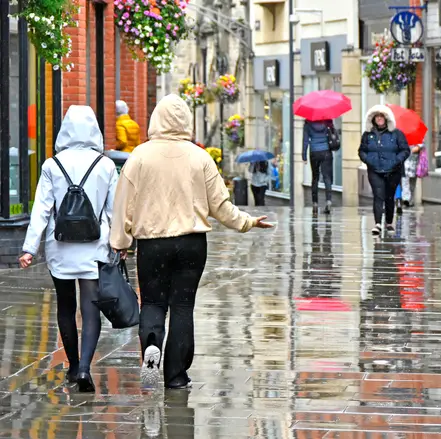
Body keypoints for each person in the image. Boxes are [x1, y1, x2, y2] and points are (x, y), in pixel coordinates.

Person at [110, 94, 273, 389]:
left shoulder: (140, 156)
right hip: (192, 244)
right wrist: (247, 221)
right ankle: (176, 376)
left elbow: (123, 204)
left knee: (154, 302)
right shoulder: (200, 157)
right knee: (183, 306)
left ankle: (151, 345)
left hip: (152, 243)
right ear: (187, 120)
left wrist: (120, 241)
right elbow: (221, 206)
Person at [18, 106, 119, 393]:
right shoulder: (106, 165)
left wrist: (29, 248)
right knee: (91, 308)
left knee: (65, 306)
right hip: (95, 246)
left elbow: (41, 210)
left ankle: (73, 366)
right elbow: (114, 211)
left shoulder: (52, 165)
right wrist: (121, 242)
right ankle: (86, 368)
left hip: (60, 246)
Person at [359, 104, 410, 235]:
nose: (380, 118)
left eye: (382, 116)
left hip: (393, 171)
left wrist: (396, 161)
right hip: (375, 170)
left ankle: (388, 222)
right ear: (373, 118)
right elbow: (362, 151)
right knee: (378, 195)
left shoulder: (397, 134)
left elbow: (405, 150)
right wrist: (370, 161)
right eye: (377, 116)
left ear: (387, 118)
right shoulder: (368, 135)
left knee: (389, 197)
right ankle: (377, 223)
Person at [302, 119, 335, 214]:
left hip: (314, 152)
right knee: (327, 177)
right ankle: (328, 201)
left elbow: (305, 141)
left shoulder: (308, 124)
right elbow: (332, 134)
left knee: (315, 177)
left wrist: (304, 155)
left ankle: (315, 204)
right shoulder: (328, 121)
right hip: (326, 151)